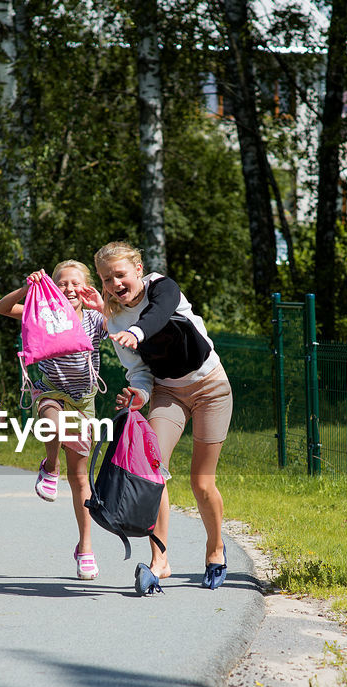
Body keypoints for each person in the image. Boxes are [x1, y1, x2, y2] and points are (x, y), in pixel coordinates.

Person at [96, 240, 233, 595]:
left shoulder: (163, 288)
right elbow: (139, 371)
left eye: (120, 274)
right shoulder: (114, 319)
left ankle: (215, 549)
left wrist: (136, 333)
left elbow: (158, 315)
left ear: (138, 269)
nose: (115, 284)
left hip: (210, 389)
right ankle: (160, 560)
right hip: (168, 392)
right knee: (152, 474)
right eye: (107, 279)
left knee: (202, 484)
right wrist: (138, 395)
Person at [0, 261, 109, 580]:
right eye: (62, 283)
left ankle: (85, 548)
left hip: (84, 400)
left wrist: (104, 305)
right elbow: (3, 308)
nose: (69, 289)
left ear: (86, 287)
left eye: (76, 283)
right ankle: (50, 464)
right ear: (53, 287)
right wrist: (27, 287)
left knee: (81, 478)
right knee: (53, 423)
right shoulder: (41, 312)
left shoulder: (97, 318)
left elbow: (119, 331)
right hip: (50, 391)